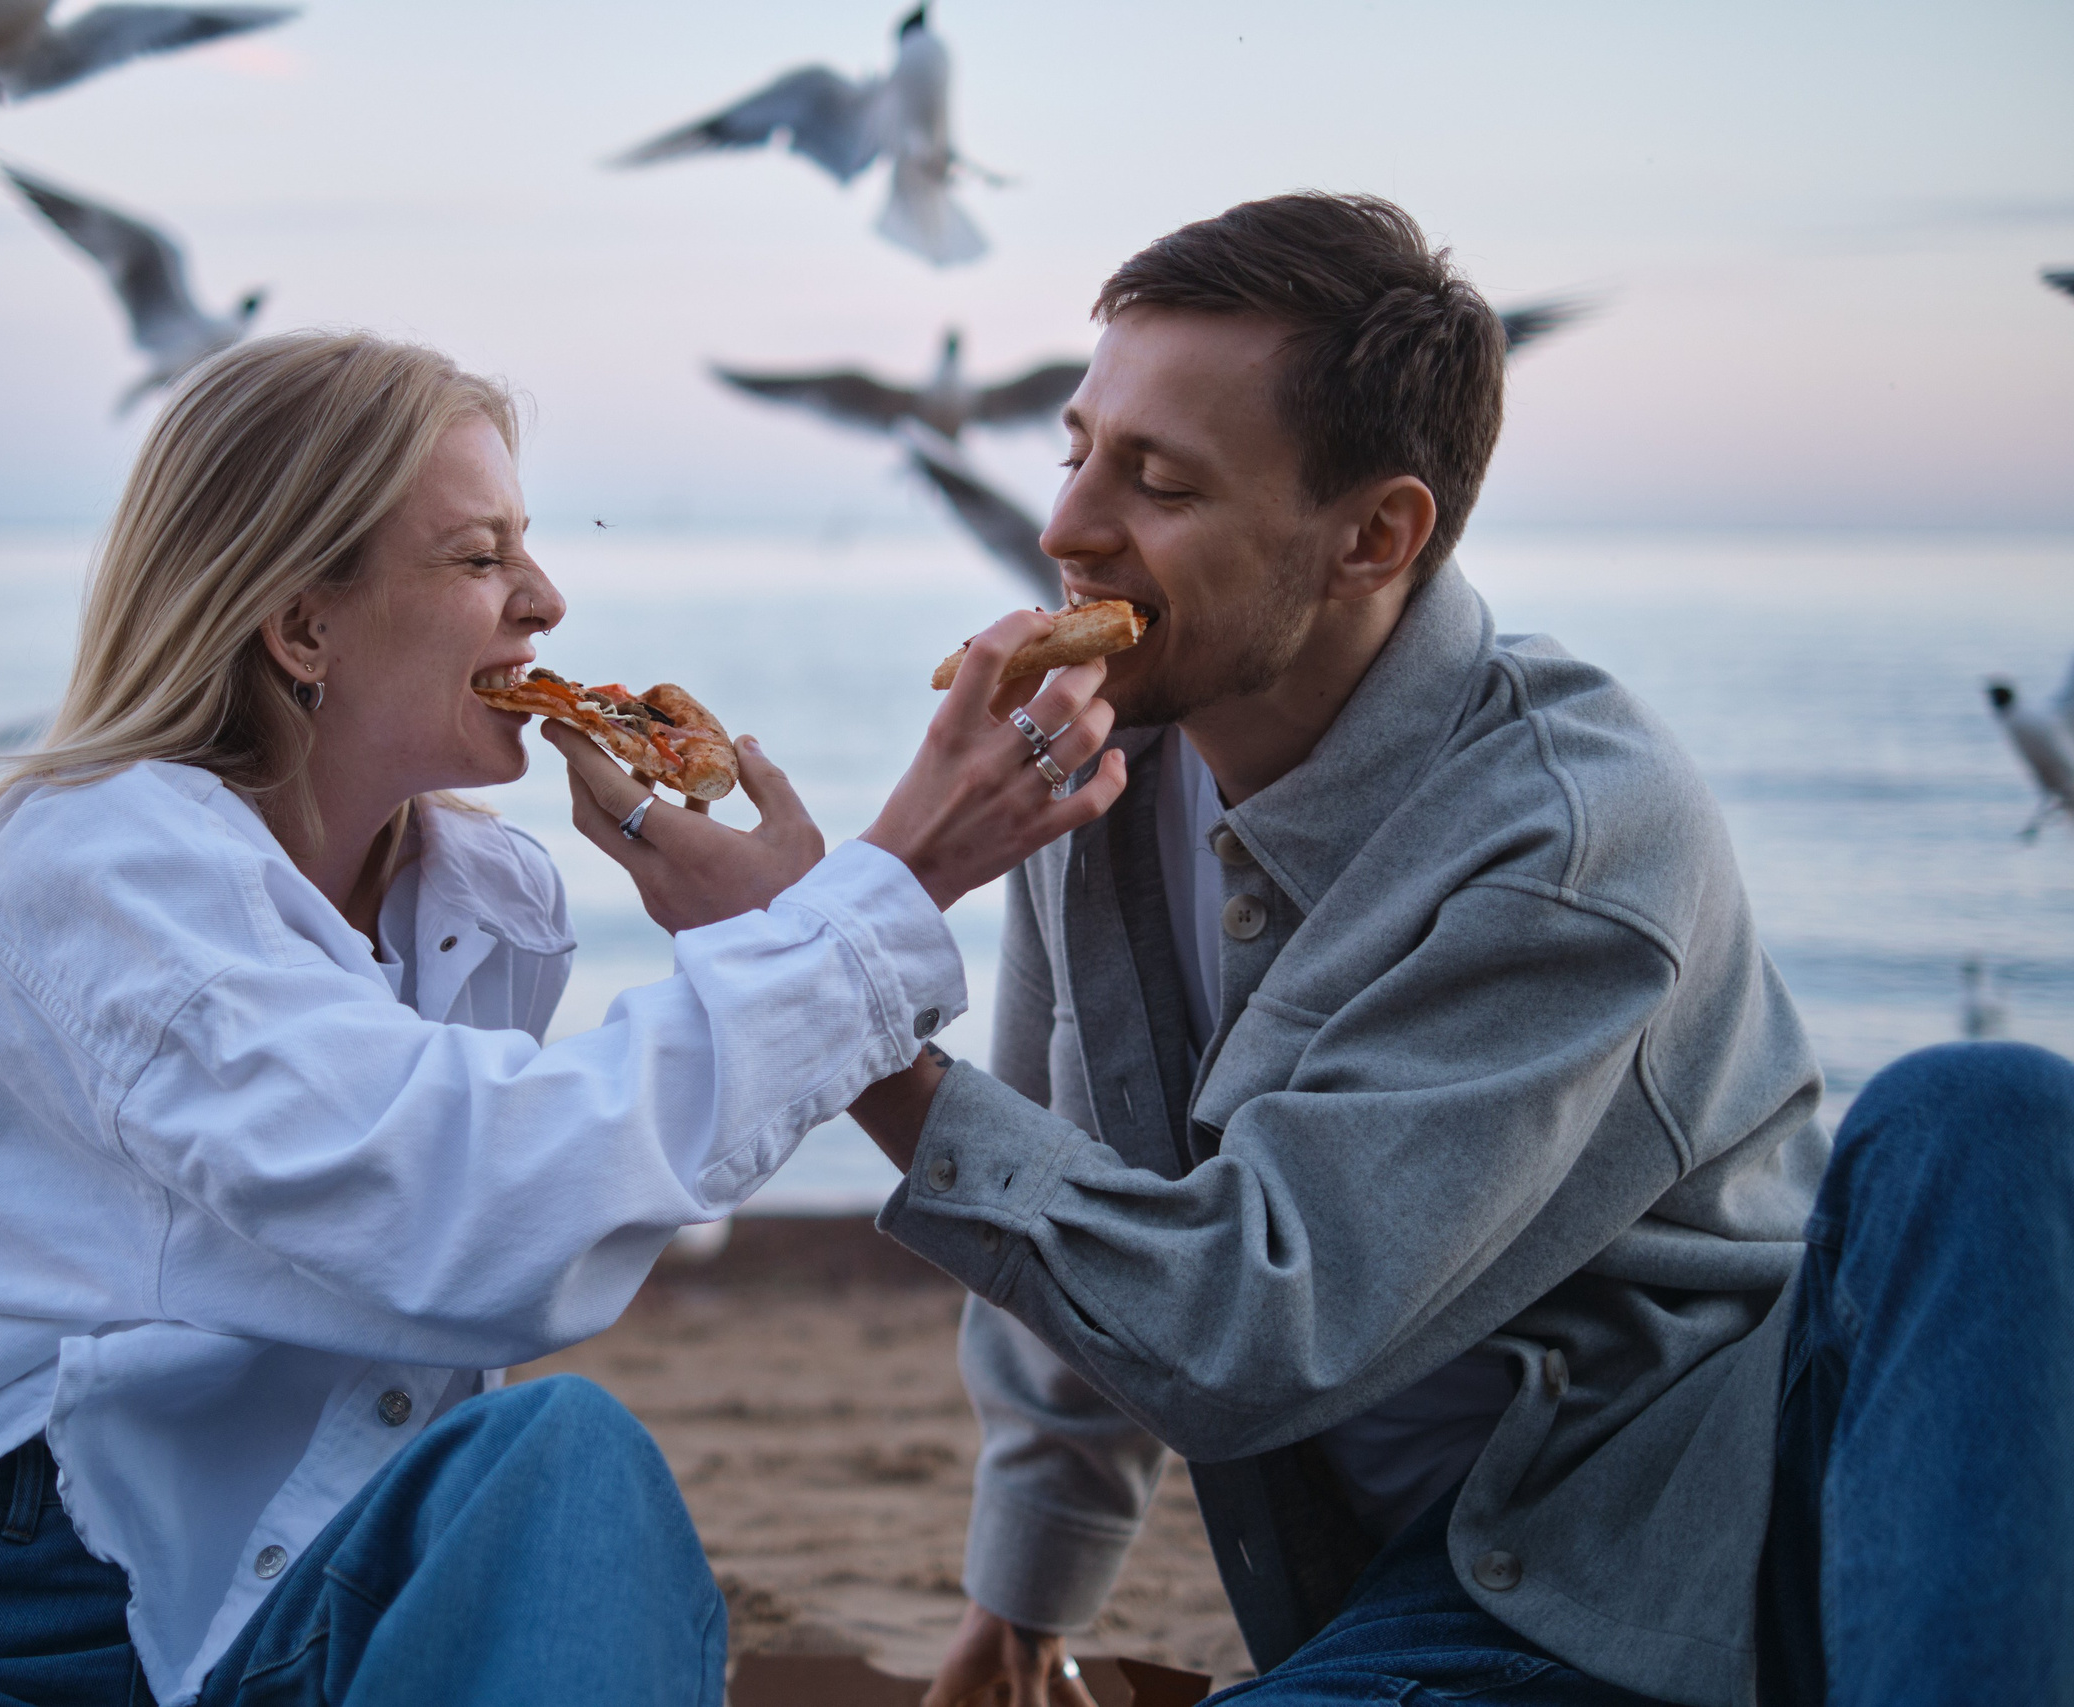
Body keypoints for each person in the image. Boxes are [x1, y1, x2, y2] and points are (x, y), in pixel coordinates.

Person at [0, 331, 1129, 1707]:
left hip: (281, 1599)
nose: (547, 596)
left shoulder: (480, 896)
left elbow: (475, 1232)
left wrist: (787, 937)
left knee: (559, 1460)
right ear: (301, 629)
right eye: (478, 558)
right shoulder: (99, 862)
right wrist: (877, 893)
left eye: (527, 545)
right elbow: (463, 1214)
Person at [845, 194, 2074, 1707]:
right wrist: (1028, 1592)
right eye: (1076, 448)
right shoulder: (1100, 767)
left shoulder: (1569, 837)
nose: (1067, 527)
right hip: (1431, 1589)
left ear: (1375, 536)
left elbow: (1248, 1324)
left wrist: (839, 1010)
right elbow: (1071, 1183)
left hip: (1715, 1538)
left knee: (1984, 1109)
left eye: (1154, 480)